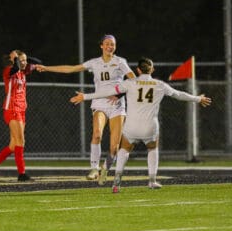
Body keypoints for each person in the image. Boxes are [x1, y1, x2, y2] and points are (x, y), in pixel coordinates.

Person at [70, 57, 212, 193]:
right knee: (152, 148)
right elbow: (179, 94)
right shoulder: (160, 85)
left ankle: (116, 182)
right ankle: (152, 180)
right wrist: (198, 98)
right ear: (152, 69)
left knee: (124, 150)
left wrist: (86, 96)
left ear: (138, 70)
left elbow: (107, 91)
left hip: (131, 127)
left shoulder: (129, 83)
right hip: (150, 127)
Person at [36, 34, 135, 184]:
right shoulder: (94, 63)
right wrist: (46, 68)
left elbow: (133, 79)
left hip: (117, 106)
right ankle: (94, 168)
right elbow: (70, 69)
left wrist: (120, 93)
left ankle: (105, 169)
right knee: (96, 134)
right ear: (101, 46)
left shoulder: (120, 62)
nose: (110, 47)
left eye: (113, 44)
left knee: (114, 146)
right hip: (100, 103)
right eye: (107, 44)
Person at [0, 50, 42, 182]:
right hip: (12, 108)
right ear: (14, 61)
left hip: (21, 109)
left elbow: (39, 62)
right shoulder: (9, 70)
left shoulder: (23, 71)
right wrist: (16, 59)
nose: (25, 63)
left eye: (25, 60)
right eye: (21, 60)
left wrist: (24, 58)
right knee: (20, 142)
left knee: (13, 145)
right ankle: (22, 174)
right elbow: (15, 67)